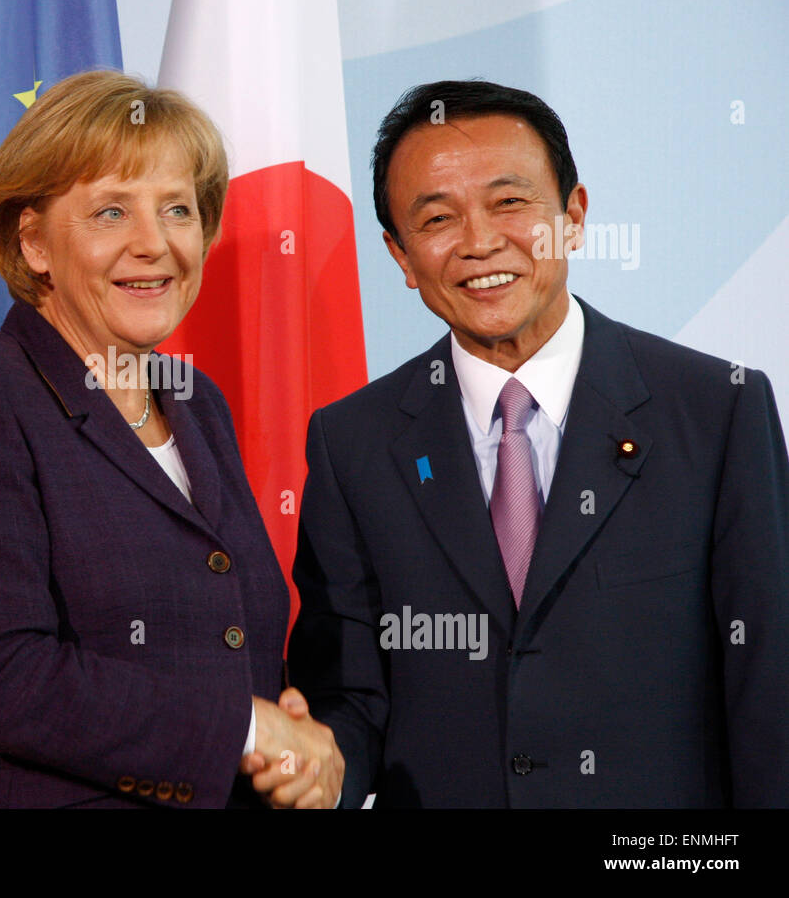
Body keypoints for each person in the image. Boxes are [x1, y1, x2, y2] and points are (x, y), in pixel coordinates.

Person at [285, 79, 789, 807]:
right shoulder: (350, 443)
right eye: (436, 218)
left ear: (574, 215)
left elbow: (769, 688)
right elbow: (351, 699)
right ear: (399, 255)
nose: (481, 242)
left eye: (510, 202)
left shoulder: (717, 411)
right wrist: (313, 765)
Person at [0, 70, 343, 808]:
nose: (154, 244)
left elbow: (225, 643)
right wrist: (245, 731)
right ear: (32, 241)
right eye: (110, 214)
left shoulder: (199, 404)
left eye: (177, 211)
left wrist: (295, 742)